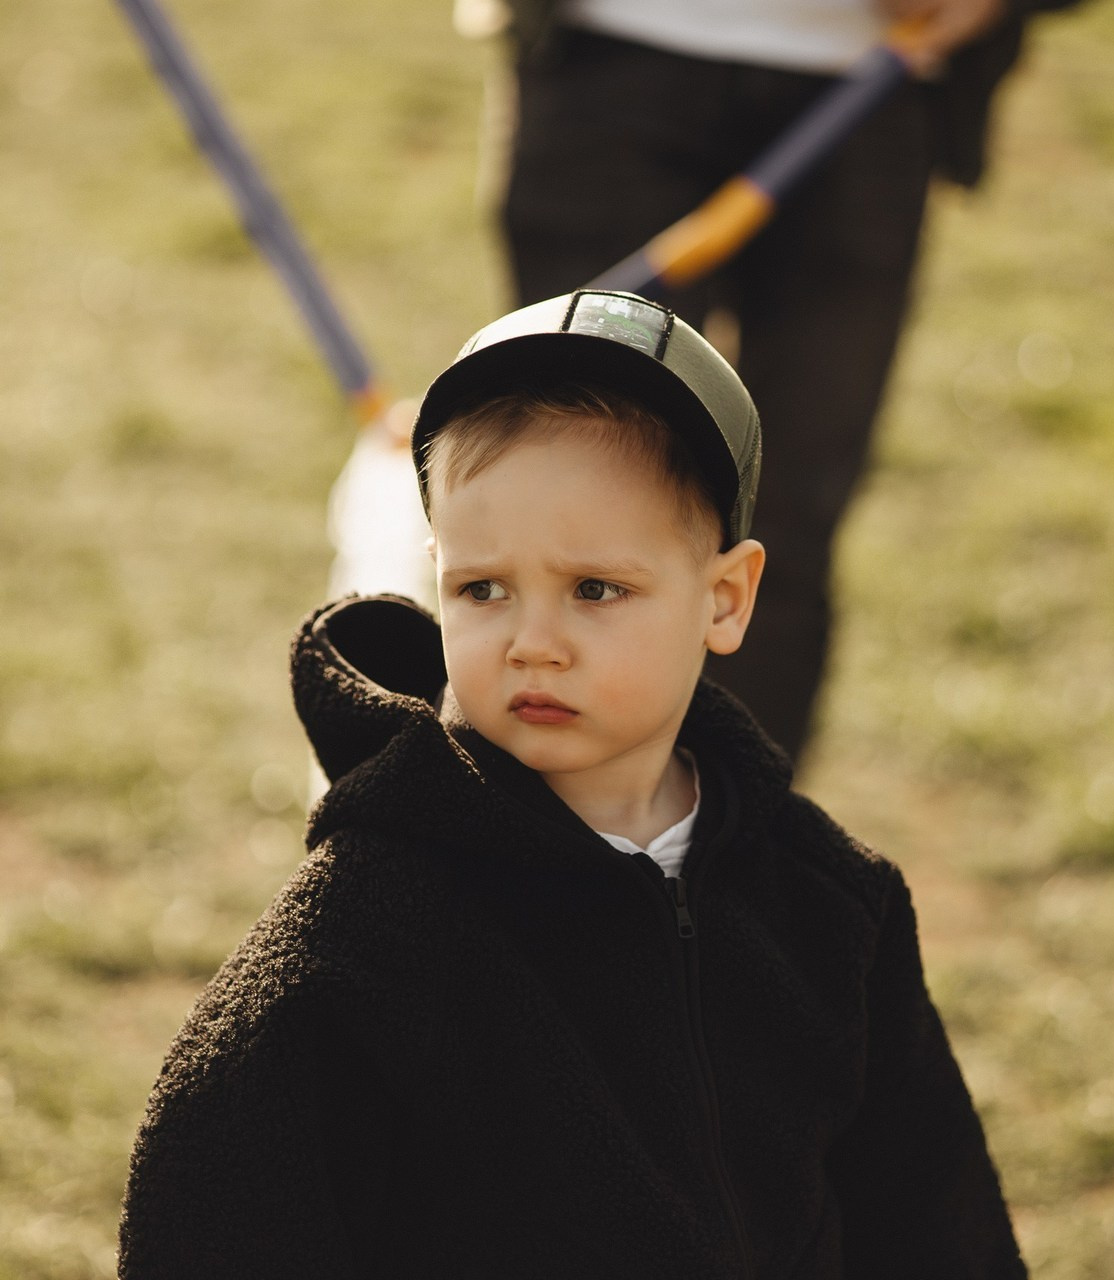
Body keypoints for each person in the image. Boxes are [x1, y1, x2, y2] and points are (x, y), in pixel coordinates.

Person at [119, 289, 1026, 1278]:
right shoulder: (359, 944)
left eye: (594, 589)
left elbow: (934, 1224)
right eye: (482, 588)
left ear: (723, 598)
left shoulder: (827, 906)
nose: (532, 643)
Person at [487, 0, 1085, 759]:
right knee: (574, 516)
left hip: (870, 83)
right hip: (610, 62)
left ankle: (739, 851)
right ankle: (552, 843)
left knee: (782, 527)